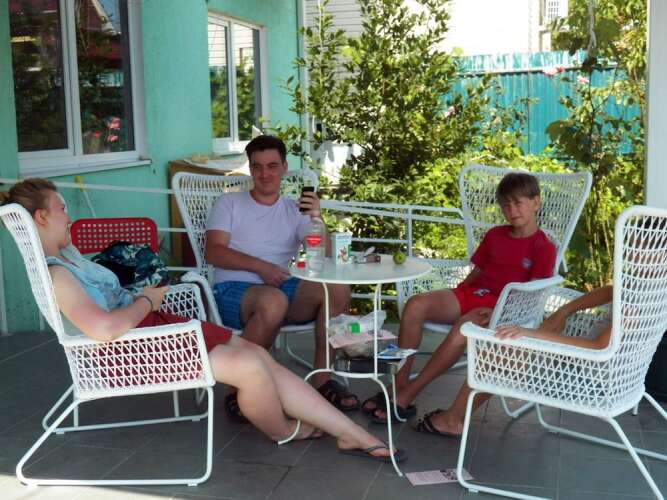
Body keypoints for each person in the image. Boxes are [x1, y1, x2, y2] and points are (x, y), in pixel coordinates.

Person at [0, 179, 404, 463]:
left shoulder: (69, 258)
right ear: (41, 217)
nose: (68, 215)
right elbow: (103, 330)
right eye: (62, 209)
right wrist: (145, 299)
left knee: (260, 356)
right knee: (251, 368)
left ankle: (351, 434)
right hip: (132, 347)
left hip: (153, 328)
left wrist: (148, 299)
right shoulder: (58, 273)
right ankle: (285, 430)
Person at [363, 172, 557, 423]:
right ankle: (398, 385)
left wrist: (500, 313)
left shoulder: (543, 247)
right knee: (415, 305)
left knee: (462, 328)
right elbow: (478, 270)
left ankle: (409, 394)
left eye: (518, 203)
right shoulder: (495, 235)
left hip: (502, 308)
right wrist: (459, 291)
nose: (511, 210)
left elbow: (533, 293)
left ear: (536, 202)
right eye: (506, 205)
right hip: (473, 295)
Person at [205, 135, 358, 419]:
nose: (265, 174)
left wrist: (316, 217)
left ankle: (322, 381)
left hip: (280, 288)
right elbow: (213, 252)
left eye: (272, 166)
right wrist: (261, 267)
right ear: (250, 169)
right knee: (273, 301)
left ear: (284, 168)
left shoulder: (294, 210)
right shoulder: (229, 203)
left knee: (336, 289)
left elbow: (325, 255)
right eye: (257, 167)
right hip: (233, 290)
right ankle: (236, 392)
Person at [414, 285, 613, 437]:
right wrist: (564, 311)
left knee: (500, 353)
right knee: (514, 347)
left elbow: (599, 347)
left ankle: (452, 419)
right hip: (583, 364)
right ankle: (456, 416)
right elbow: (611, 291)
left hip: (587, 380)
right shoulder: (631, 287)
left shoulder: (631, 305)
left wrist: (534, 335)